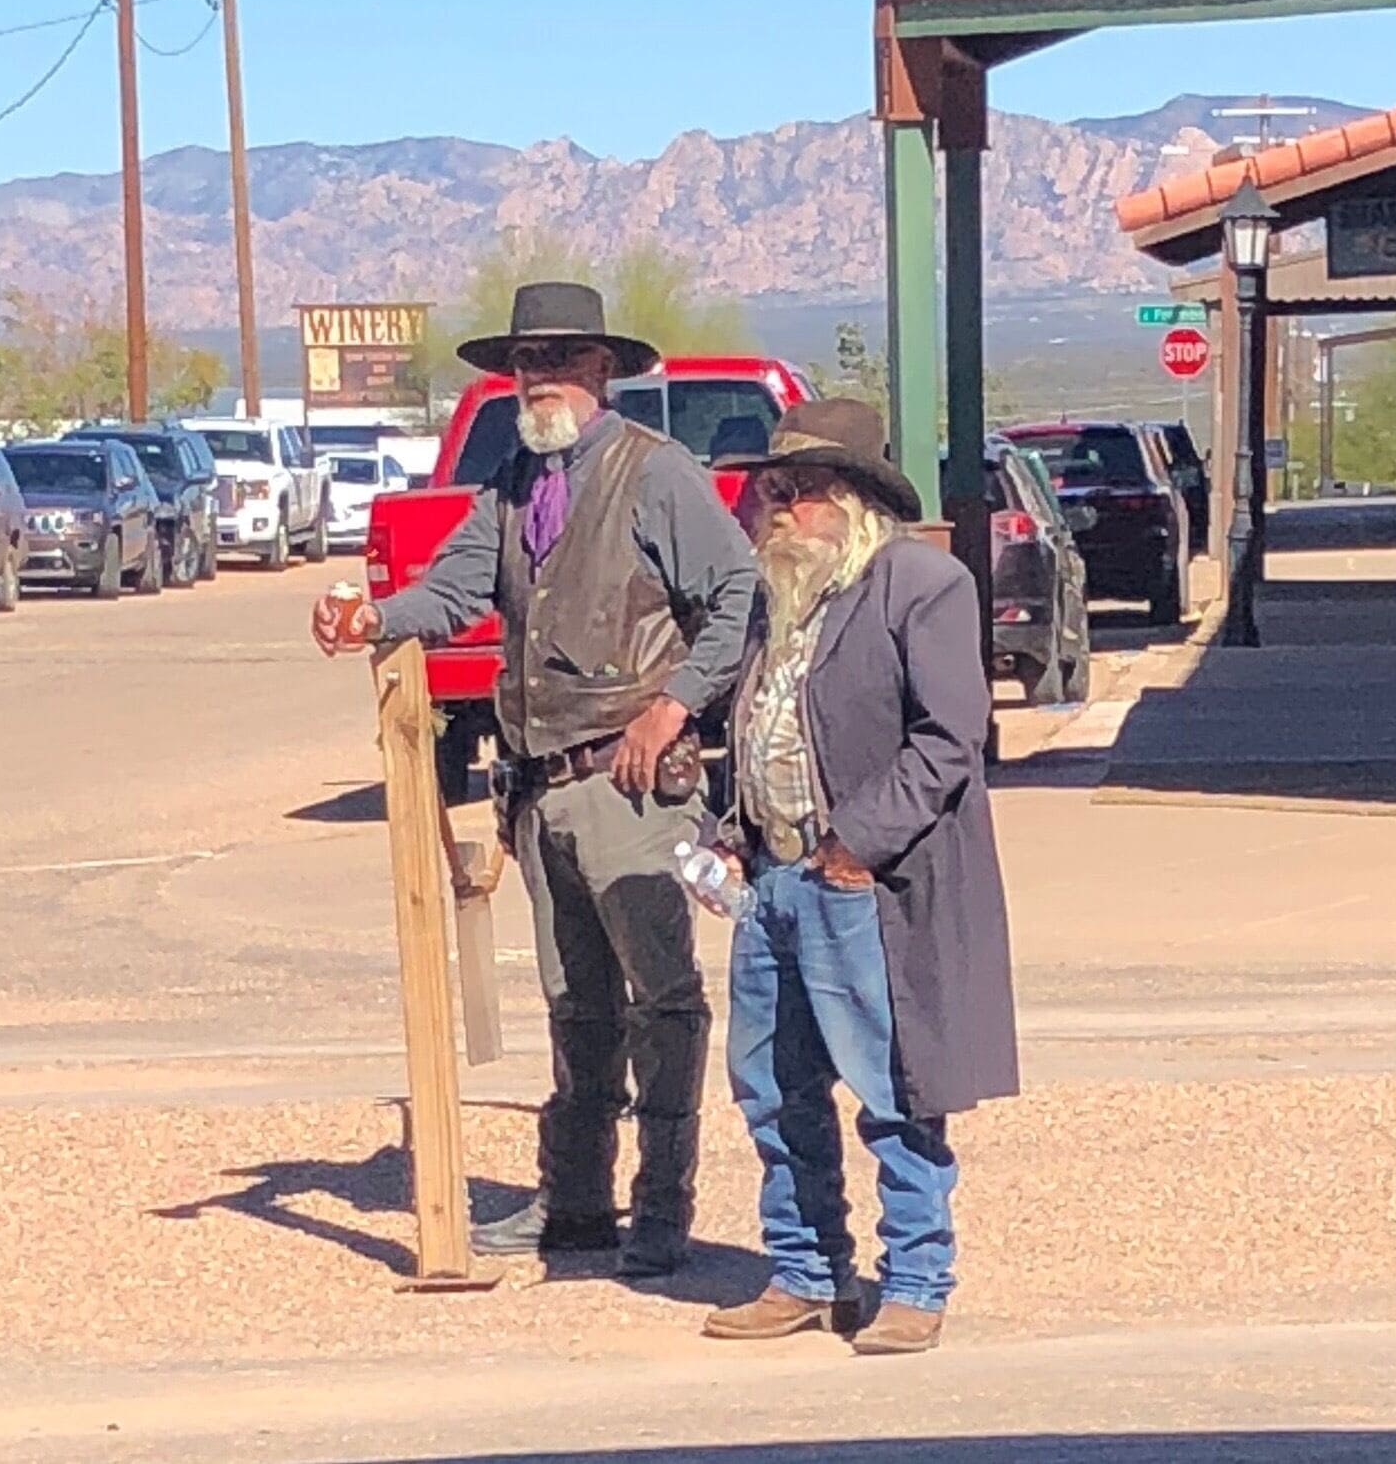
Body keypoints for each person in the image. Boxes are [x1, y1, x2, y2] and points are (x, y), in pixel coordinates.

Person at [312, 280, 759, 1274]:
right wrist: (371, 618)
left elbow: (737, 593)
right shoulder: (515, 484)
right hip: (540, 785)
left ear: (603, 372)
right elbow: (457, 586)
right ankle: (577, 1204)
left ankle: (662, 1208)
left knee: (663, 997)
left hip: (634, 782)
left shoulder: (657, 473)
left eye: (561, 361)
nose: (541, 378)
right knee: (576, 1002)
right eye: (527, 363)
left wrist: (673, 702)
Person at [698, 400, 1018, 1357]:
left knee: (893, 1088)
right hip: (771, 878)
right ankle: (804, 1270)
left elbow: (950, 735)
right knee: (772, 1087)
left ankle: (915, 1279)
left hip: (862, 883)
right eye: (770, 489)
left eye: (797, 490)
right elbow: (760, 729)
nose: (776, 506)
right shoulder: (778, 592)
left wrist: (854, 845)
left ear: (855, 497)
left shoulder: (921, 583)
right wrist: (731, 830)